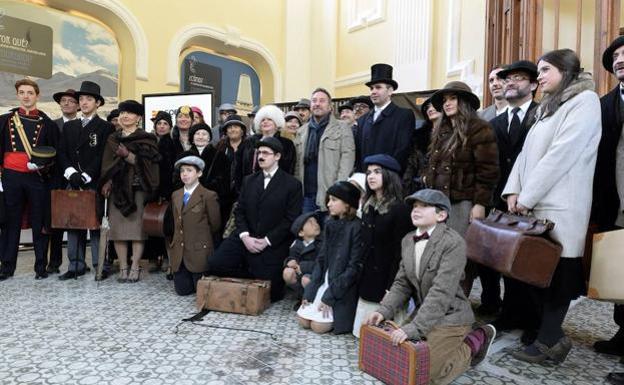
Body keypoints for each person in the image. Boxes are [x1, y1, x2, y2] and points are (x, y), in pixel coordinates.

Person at [503, 49, 601, 364]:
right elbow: (525, 153)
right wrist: (513, 190)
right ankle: (552, 338)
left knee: (557, 277)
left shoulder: (585, 101)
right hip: (534, 203)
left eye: (545, 70)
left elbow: (562, 153)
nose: (540, 76)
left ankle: (548, 341)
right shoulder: (549, 106)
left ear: (565, 70)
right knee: (533, 271)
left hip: (561, 205)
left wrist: (527, 196)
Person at [365, 189, 496, 385]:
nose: (416, 210)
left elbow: (441, 292)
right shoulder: (408, 239)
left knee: (425, 376)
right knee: (403, 363)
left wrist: (415, 327)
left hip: (451, 316)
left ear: (441, 215)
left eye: (424, 206)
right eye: (415, 206)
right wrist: (384, 310)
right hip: (424, 313)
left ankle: (475, 341)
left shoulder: (454, 243)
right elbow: (402, 283)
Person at [206, 137, 302, 301]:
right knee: (215, 263)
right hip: (245, 236)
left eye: (266, 153)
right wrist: (244, 236)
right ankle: (249, 274)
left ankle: (254, 272)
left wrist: (267, 240)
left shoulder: (292, 184)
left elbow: (290, 219)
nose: (260, 156)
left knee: (273, 291)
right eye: (259, 152)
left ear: (277, 156)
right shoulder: (249, 180)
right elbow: (240, 211)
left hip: (272, 242)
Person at [489, 60, 541, 337]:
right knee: (506, 260)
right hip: (502, 202)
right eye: (507, 78)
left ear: (533, 85)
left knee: (531, 263)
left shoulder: (542, 114)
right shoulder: (496, 122)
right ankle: (509, 313)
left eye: (518, 78)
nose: (510, 82)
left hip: (534, 199)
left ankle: (534, 321)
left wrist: (526, 193)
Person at [0, 78, 59, 281]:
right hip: (11, 177)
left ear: (37, 95)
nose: (26, 96)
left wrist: (44, 165)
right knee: (10, 222)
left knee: (39, 222)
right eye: (22, 92)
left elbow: (55, 153)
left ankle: (40, 266)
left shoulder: (47, 123)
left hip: (36, 177)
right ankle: (7, 267)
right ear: (17, 95)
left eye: (30, 93)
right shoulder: (5, 120)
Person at [57, 81, 114, 281]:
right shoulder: (70, 126)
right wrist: (70, 172)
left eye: (89, 99)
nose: (84, 102)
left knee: (95, 224)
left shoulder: (105, 127)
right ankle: (76, 265)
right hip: (72, 180)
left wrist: (87, 174)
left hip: (93, 181)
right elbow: (62, 152)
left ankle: (100, 265)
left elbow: (104, 155)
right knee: (73, 223)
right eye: (81, 99)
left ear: (97, 103)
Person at [353, 154, 413, 338]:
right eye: (369, 172)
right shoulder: (367, 205)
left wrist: (392, 287)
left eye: (377, 172)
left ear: (389, 175)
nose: (371, 176)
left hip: (388, 280)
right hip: (367, 280)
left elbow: (401, 253)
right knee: (360, 334)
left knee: (383, 339)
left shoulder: (400, 209)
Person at [99, 100, 160, 283]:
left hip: (137, 189)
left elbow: (150, 165)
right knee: (118, 230)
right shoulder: (113, 138)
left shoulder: (147, 138)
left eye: (130, 113)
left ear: (138, 117)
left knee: (137, 230)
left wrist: (130, 156)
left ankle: (135, 266)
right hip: (117, 189)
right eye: (122, 112)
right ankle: (123, 266)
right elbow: (107, 163)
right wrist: (106, 181)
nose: (125, 116)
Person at [297, 181, 364, 334]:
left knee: (318, 327)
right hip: (325, 280)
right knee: (303, 321)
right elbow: (321, 259)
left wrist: (331, 295)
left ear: (347, 204)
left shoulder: (357, 227)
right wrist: (311, 290)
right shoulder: (330, 224)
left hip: (341, 286)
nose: (328, 204)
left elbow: (353, 268)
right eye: (329, 199)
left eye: (334, 200)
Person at [595, 37, 624, 385]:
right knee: (619, 277)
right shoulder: (604, 104)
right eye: (616, 56)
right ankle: (622, 334)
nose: (619, 60)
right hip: (614, 204)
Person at [294, 88, 355, 214]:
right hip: (306, 196)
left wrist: (338, 190)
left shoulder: (342, 128)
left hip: (331, 195)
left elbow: (347, 161)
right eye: (314, 100)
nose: (317, 103)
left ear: (330, 106)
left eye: (322, 101)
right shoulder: (302, 131)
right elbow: (297, 165)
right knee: (308, 233)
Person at [169, 155, 220, 295]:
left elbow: (215, 224)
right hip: (180, 254)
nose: (184, 174)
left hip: (199, 252)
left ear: (199, 173)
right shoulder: (176, 195)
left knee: (201, 291)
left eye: (189, 170)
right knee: (182, 291)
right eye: (182, 171)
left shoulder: (208, 195)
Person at [354, 63, 415, 173]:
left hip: (390, 179)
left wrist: (385, 175)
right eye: (371, 88)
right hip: (366, 179)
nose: (373, 91)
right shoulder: (362, 120)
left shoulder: (403, 116)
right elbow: (358, 153)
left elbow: (402, 150)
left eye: (378, 87)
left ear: (390, 91)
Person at [47, 88, 79, 274]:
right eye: (63, 101)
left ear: (78, 105)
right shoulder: (52, 125)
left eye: (71, 101)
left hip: (76, 178)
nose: (66, 103)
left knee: (78, 219)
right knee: (55, 221)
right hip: (55, 178)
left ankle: (78, 262)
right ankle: (55, 262)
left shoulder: (83, 125)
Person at [235, 105, 296, 189]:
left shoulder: (287, 144)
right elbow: (238, 168)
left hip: (277, 189)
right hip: (250, 188)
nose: (265, 122)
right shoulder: (249, 142)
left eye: (269, 119)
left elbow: (289, 170)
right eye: (262, 120)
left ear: (277, 123)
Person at [402, 96, 439, 195]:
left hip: (442, 187)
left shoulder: (452, 134)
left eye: (434, 106)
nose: (430, 109)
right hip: (419, 188)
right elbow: (411, 165)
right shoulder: (418, 136)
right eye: (427, 107)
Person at [282, 211, 322, 296]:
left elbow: (322, 263)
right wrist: (291, 261)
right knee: (287, 273)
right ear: (301, 233)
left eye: (316, 221)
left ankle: (310, 300)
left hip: (315, 274)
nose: (315, 224)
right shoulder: (297, 245)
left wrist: (302, 267)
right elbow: (292, 256)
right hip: (300, 273)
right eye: (310, 222)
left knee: (306, 280)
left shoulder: (322, 243)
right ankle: (300, 297)